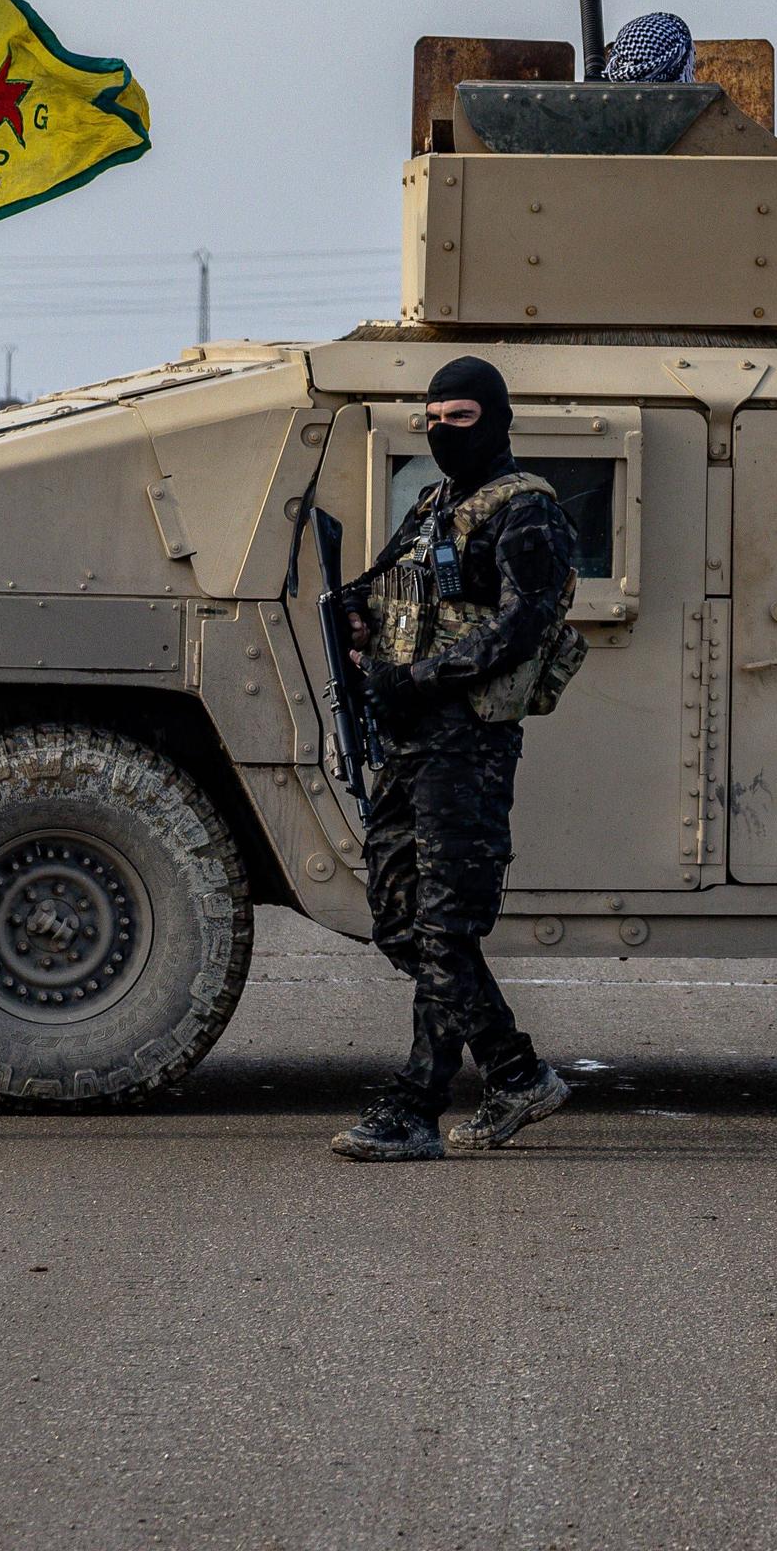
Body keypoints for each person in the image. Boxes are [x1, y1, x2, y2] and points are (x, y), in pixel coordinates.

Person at [329, 355, 583, 1161]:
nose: (442, 433)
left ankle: (416, 1102)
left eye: (460, 419)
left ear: (497, 420)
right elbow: (389, 592)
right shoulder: (434, 505)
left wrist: (421, 678)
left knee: (443, 925)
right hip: (413, 738)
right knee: (400, 921)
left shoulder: (527, 513)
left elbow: (523, 627)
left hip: (467, 740)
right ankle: (513, 1070)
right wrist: (364, 627)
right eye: (432, 420)